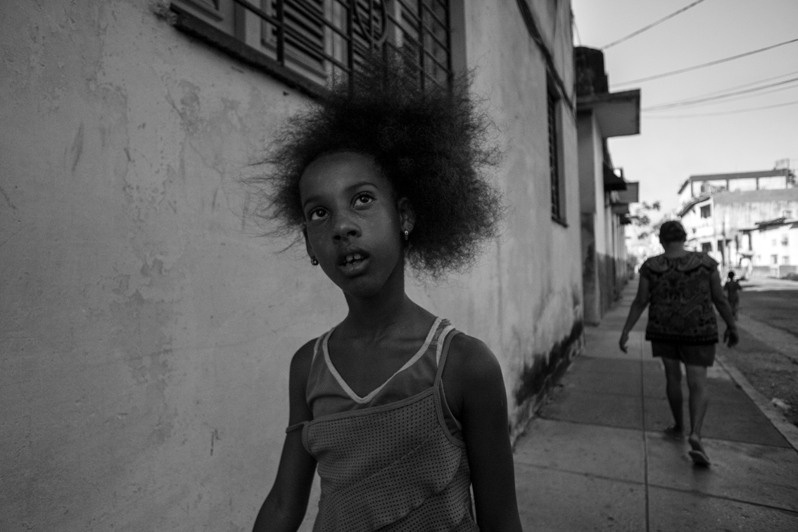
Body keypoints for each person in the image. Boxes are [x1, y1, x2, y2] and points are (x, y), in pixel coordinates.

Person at [248, 55, 522, 531]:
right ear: (310, 246)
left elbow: (501, 520)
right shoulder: (308, 367)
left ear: (406, 217)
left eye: (362, 200)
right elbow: (282, 507)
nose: (342, 227)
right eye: (319, 214)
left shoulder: (463, 365)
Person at [618, 221, 739, 467]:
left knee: (672, 379)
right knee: (698, 383)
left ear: (662, 240)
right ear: (684, 238)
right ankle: (695, 432)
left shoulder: (651, 266)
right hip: (699, 331)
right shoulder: (706, 263)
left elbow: (641, 300)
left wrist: (626, 331)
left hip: (665, 331)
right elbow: (719, 299)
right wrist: (732, 326)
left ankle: (678, 425)